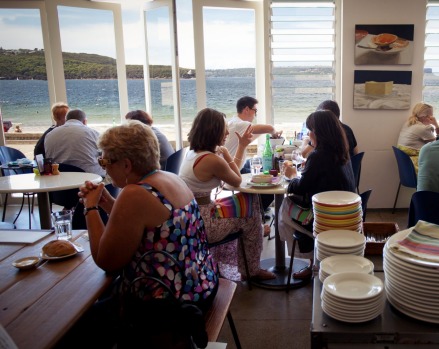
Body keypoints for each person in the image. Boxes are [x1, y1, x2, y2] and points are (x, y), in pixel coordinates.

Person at [73, 121, 217, 348]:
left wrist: (90, 208)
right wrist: (107, 203)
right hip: (201, 286)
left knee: (76, 324)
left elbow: (106, 261)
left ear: (127, 164)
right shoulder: (170, 178)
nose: (104, 169)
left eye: (105, 161)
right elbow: (150, 227)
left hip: (166, 307)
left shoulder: (133, 194)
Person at [179, 108, 275, 281]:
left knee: (249, 201)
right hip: (205, 223)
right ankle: (251, 270)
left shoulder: (192, 152)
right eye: (224, 128)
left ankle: (247, 263)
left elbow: (231, 176)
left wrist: (241, 146)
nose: (228, 132)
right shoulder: (211, 159)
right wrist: (230, 151)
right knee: (251, 214)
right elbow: (237, 180)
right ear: (214, 131)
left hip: (190, 217)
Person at [279, 110, 356, 280]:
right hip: (348, 217)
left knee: (285, 206)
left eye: (309, 130)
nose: (308, 134)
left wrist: (291, 175)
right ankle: (314, 261)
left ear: (318, 132)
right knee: (299, 205)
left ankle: (309, 259)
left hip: (325, 220)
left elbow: (298, 188)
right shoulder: (343, 152)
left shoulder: (318, 156)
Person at [44, 108, 105, 177]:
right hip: (91, 179)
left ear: (66, 120)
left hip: (60, 179)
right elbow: (104, 155)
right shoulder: (93, 133)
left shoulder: (50, 135)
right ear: (85, 121)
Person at [224, 96, 282, 166]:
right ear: (247, 109)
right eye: (255, 111)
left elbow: (260, 131)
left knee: (262, 160)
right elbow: (270, 128)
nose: (255, 115)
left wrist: (268, 132)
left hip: (237, 164)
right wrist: (274, 134)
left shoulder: (235, 122)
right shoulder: (239, 124)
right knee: (269, 165)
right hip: (234, 168)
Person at [395, 102, 439, 172]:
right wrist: (436, 124)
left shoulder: (408, 123)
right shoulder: (423, 128)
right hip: (416, 167)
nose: (432, 118)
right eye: (431, 116)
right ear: (424, 117)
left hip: (408, 167)